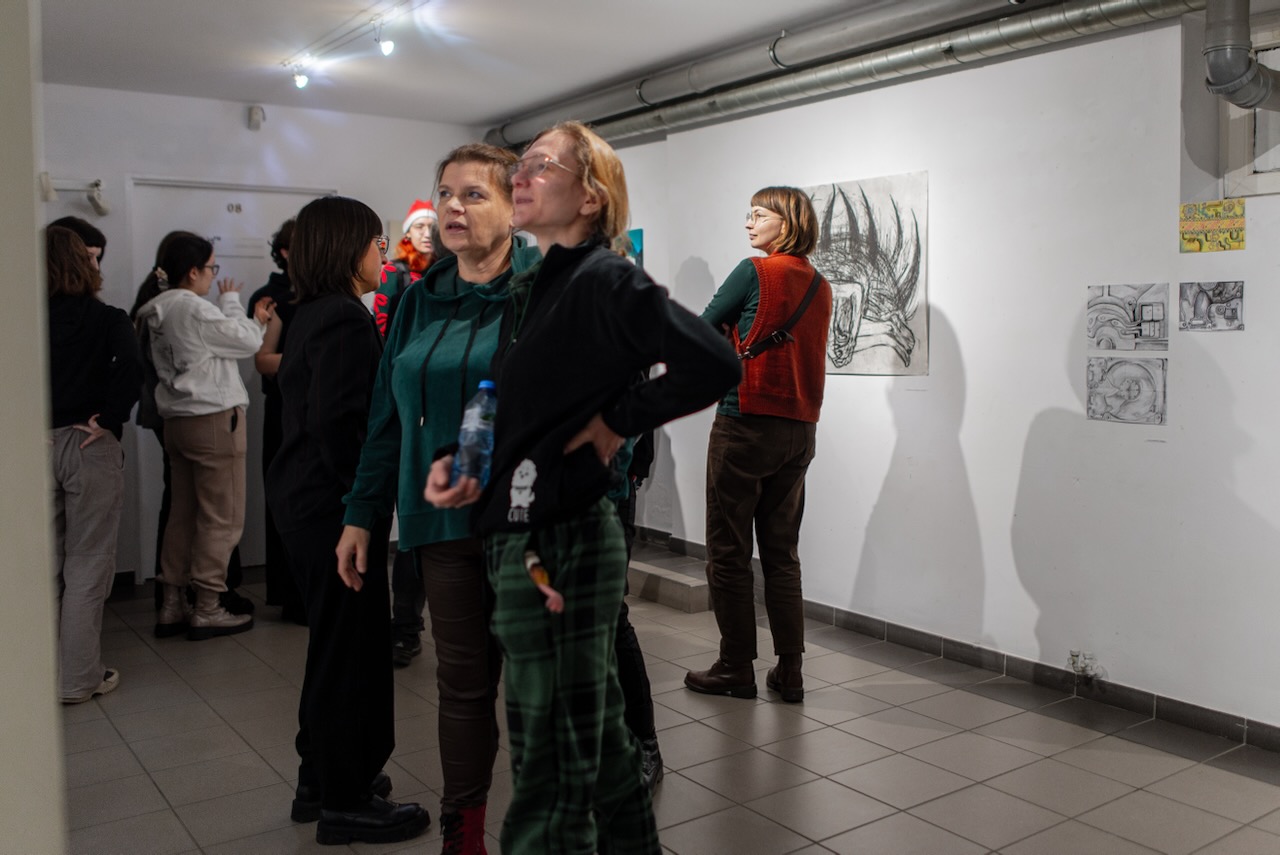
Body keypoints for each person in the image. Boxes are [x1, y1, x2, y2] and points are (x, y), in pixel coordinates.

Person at [424, 121, 740, 855]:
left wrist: (617, 420)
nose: (521, 176)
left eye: (540, 165)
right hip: (521, 525)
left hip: (561, 535)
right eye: (521, 166)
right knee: (594, 741)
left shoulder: (606, 278)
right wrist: (465, 458)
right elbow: (503, 391)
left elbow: (713, 362)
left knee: (549, 764)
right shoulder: (536, 284)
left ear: (591, 197)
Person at [338, 142, 538, 853]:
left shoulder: (546, 289)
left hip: (529, 526)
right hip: (439, 522)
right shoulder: (418, 298)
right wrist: (362, 513)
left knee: (540, 688)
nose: (454, 206)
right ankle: (465, 831)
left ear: (515, 207)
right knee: (462, 685)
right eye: (446, 193)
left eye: (474, 194)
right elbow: (386, 418)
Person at [267, 196, 430, 846]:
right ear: (346, 248)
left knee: (333, 646)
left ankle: (320, 777)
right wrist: (361, 509)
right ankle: (345, 798)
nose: (383, 254)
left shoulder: (313, 311)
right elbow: (339, 425)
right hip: (330, 509)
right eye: (375, 242)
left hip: (306, 502)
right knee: (351, 652)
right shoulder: (341, 317)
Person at [683, 187, 833, 703]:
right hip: (800, 429)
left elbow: (700, 331)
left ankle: (735, 667)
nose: (748, 223)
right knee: (781, 553)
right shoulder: (821, 285)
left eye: (758, 214)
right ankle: (790, 671)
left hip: (744, 422)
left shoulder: (755, 272)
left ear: (785, 223)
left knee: (728, 550)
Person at [135, 233, 271, 640]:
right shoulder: (192, 307)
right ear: (192, 272)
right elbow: (248, 340)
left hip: (177, 423)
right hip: (213, 421)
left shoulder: (154, 309)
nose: (213, 275)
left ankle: (173, 604)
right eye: (212, 268)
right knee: (221, 518)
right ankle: (208, 607)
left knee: (182, 515)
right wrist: (236, 304)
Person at [46, 226, 140, 703]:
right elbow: (132, 367)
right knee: (86, 564)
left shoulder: (22, 319)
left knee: (44, 564)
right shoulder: (107, 318)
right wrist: (110, 418)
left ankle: (40, 676)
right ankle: (79, 678)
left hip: (36, 444)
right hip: (88, 443)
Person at [372, 199, 439, 664]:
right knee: (410, 525)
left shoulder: (453, 278)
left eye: (433, 226)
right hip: (404, 411)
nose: (429, 233)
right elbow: (384, 341)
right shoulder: (395, 278)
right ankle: (403, 625)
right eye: (421, 226)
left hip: (445, 417)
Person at [248, 218, 307, 625]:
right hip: (283, 410)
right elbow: (263, 360)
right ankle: (289, 594)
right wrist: (311, 356)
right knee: (285, 499)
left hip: (314, 409)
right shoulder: (270, 299)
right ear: (285, 252)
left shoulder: (325, 295)